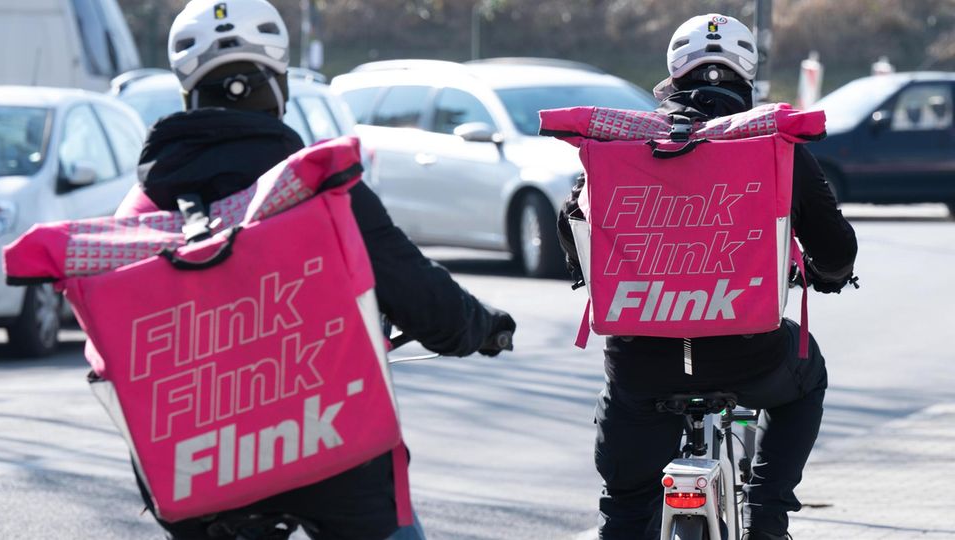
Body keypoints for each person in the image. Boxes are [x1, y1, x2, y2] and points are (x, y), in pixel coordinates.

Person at [115, 1, 516, 538]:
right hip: (331, 445)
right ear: (279, 89)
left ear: (188, 92)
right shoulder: (321, 189)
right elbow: (420, 295)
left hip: (197, 467)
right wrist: (483, 326)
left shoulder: (140, 210)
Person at [556, 14, 858, 540]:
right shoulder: (775, 145)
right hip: (750, 356)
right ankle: (766, 518)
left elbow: (572, 222)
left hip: (641, 365)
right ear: (748, 73)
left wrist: (586, 273)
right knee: (807, 377)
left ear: (673, 71)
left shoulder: (624, 146)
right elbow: (836, 248)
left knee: (626, 512)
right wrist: (828, 273)